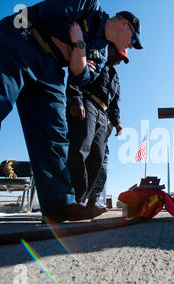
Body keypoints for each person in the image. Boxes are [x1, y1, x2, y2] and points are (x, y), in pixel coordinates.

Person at [0, 0, 143, 232]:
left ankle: (58, 204)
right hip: (17, 41)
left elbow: (81, 77)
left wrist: (76, 45)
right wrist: (76, 55)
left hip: (49, 68)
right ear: (124, 24)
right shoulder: (88, 4)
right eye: (132, 42)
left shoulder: (100, 51)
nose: (129, 47)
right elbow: (53, 14)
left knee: (55, 133)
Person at [66, 43, 127, 215]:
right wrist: (76, 100)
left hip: (104, 114)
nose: (119, 61)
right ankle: (68, 200)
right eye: (119, 56)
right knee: (80, 149)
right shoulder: (95, 56)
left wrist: (117, 122)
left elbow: (115, 103)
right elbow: (76, 75)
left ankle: (81, 200)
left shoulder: (115, 77)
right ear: (111, 48)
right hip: (87, 103)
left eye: (122, 59)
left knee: (98, 157)